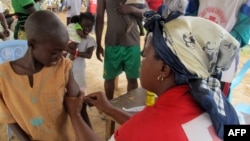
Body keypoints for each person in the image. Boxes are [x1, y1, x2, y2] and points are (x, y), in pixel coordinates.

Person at [65, 5, 241, 140]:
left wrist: (74, 115)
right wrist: (110, 109)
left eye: (145, 55)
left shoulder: (150, 125)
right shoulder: (217, 106)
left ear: (164, 69)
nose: (142, 59)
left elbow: (148, 130)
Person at [0, 10, 91, 140]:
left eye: (62, 50)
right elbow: (9, 118)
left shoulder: (62, 67)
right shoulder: (3, 76)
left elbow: (79, 106)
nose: (61, 57)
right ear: (32, 44)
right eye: (55, 52)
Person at [185, 0, 250, 97]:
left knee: (218, 99)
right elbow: (190, 19)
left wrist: (212, 49)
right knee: (190, 94)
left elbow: (241, 33)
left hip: (225, 58)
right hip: (197, 53)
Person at [95, 0, 146, 100]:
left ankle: (130, 108)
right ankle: (109, 106)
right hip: (112, 42)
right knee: (109, 78)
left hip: (132, 43)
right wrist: (98, 43)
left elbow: (146, 11)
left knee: (132, 79)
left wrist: (132, 9)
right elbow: (99, 17)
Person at [67, 12, 96, 90]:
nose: (88, 28)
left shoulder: (90, 40)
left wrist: (74, 53)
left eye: (90, 26)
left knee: (80, 90)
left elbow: (89, 55)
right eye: (85, 26)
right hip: (66, 67)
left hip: (79, 70)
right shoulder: (71, 35)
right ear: (79, 24)